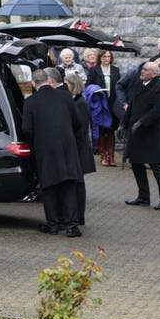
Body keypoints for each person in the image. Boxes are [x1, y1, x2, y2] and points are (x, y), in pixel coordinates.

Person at [23, 70, 83, 237]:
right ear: (48, 81)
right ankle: (71, 226)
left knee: (49, 186)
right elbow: (77, 122)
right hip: (67, 146)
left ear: (34, 84)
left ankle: (53, 224)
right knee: (69, 184)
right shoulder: (65, 97)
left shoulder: (31, 102)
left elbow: (27, 129)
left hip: (45, 149)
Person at [123, 62, 160, 210]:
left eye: (145, 70)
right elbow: (131, 106)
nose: (142, 71)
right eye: (142, 69)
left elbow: (158, 110)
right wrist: (123, 124)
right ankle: (143, 197)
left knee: (157, 165)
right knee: (136, 163)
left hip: (152, 133)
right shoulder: (138, 84)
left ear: (154, 74)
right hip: (136, 133)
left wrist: (142, 122)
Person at [65, 74, 96, 225]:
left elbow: (81, 128)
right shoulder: (75, 101)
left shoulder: (80, 103)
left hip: (80, 148)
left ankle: (79, 215)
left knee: (78, 183)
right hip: (78, 147)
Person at [86, 49, 121, 166]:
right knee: (101, 130)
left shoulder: (115, 70)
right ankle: (103, 156)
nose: (107, 59)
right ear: (100, 58)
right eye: (104, 56)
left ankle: (111, 156)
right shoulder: (93, 70)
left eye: (108, 56)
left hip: (112, 104)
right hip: (100, 103)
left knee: (111, 130)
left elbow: (120, 86)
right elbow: (88, 86)